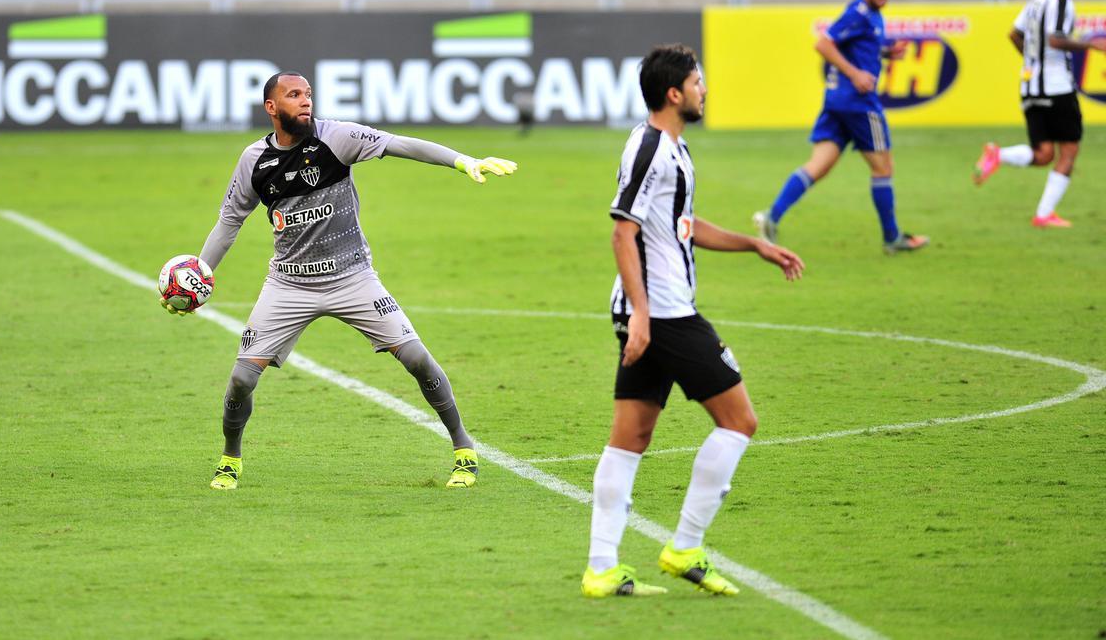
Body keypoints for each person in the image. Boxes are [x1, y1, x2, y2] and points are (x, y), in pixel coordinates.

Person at [162, 71, 517, 490]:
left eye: (309, 94)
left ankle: (463, 449)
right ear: (272, 108)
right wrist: (199, 275)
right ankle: (230, 458)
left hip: (352, 278)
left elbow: (400, 144)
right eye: (294, 95)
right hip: (288, 285)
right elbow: (229, 221)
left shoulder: (337, 138)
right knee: (241, 379)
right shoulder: (254, 160)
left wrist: (463, 161)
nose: (306, 101)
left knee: (418, 359)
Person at [581, 44, 804, 598]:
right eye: (698, 83)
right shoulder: (651, 146)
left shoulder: (675, 152)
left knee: (630, 437)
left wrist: (753, 244)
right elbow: (621, 230)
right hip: (665, 314)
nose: (705, 91)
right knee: (739, 420)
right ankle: (684, 548)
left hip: (655, 312)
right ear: (674, 93)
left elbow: (681, 224)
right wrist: (642, 314)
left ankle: (601, 569)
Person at [753, 0, 929, 255]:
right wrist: (855, 73)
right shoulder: (860, 13)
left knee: (818, 166)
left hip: (836, 102)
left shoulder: (870, 15)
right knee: (883, 167)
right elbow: (823, 44)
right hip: (858, 104)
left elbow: (856, 47)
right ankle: (892, 238)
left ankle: (772, 216)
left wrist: (886, 52)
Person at [972, 0, 1106, 227]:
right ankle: (1044, 214)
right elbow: (1056, 40)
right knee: (1068, 151)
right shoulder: (1061, 1)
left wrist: (1033, 61)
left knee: (1044, 154)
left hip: (1030, 86)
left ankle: (998, 155)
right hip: (1056, 88)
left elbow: (1014, 33)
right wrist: (1090, 44)